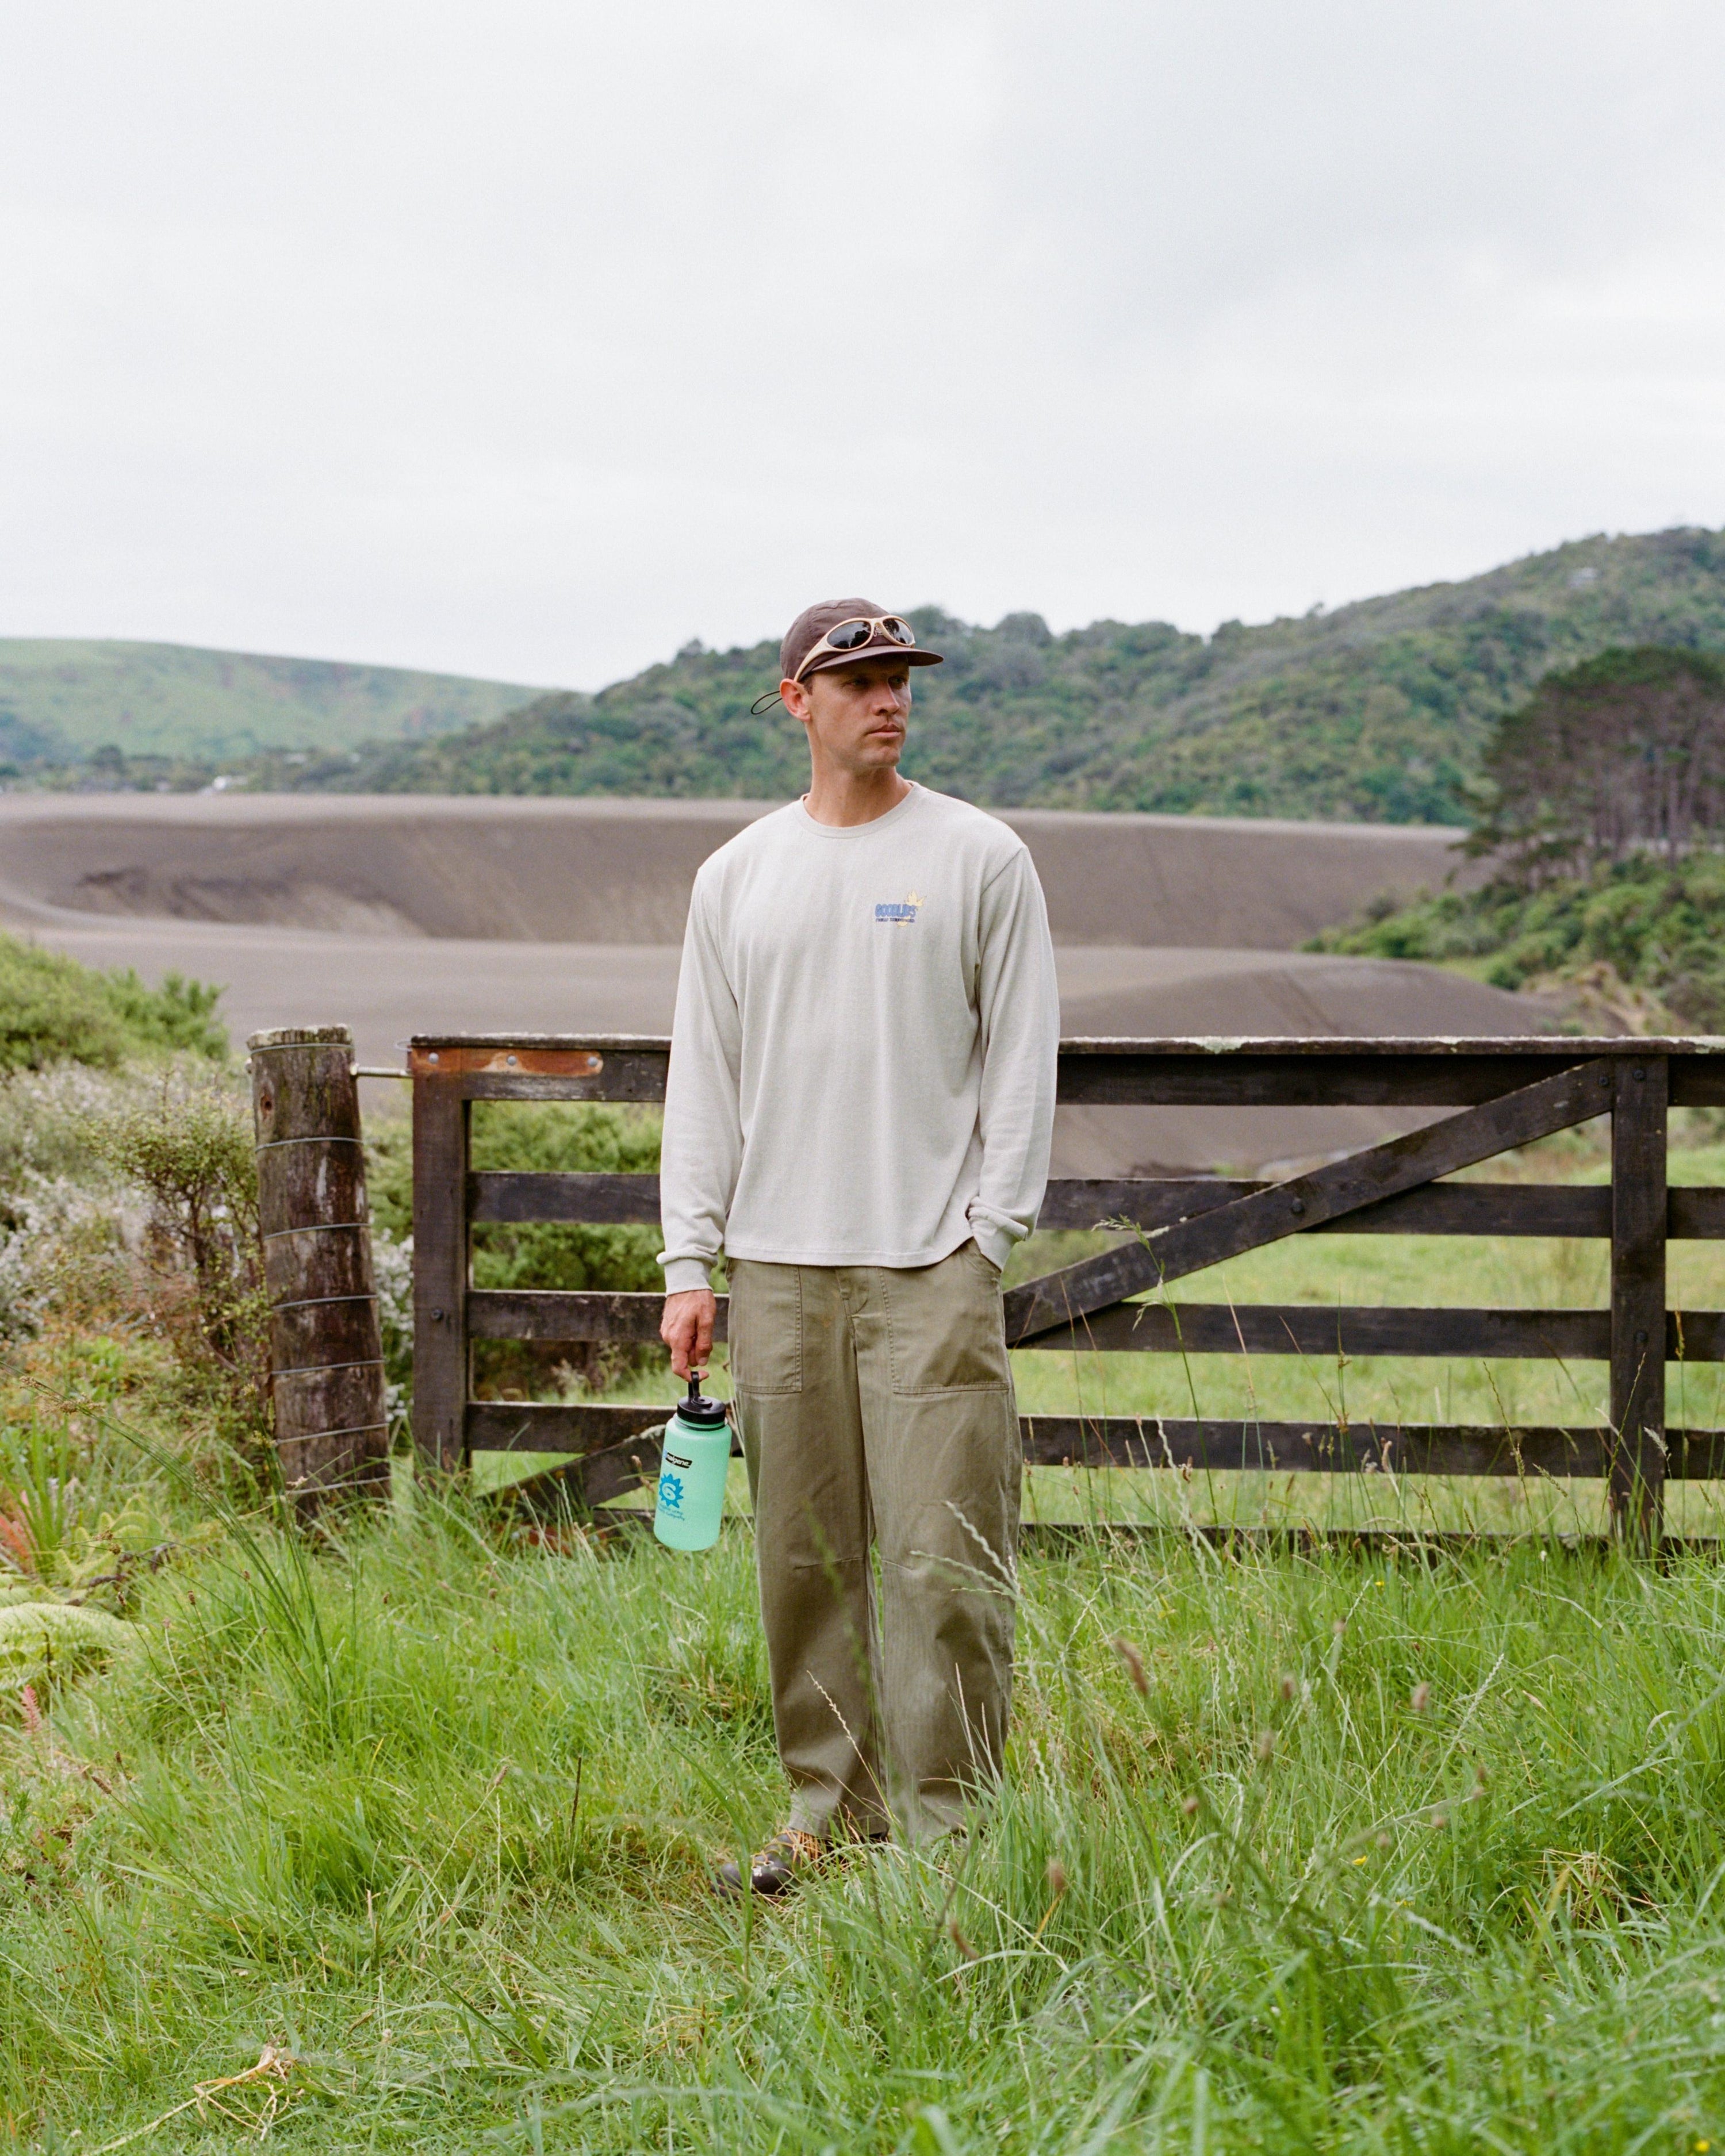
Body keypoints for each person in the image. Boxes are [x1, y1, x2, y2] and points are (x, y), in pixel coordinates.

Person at [658, 598, 1060, 1896]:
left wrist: (987, 1237)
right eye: (858, 679)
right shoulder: (738, 878)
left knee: (947, 1560)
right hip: (777, 1271)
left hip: (930, 1265)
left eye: (899, 678)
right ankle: (826, 1810)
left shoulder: (980, 857)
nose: (886, 698)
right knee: (803, 1561)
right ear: (798, 700)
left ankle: (951, 1836)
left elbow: (1023, 1058)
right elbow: (702, 1083)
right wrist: (690, 1262)